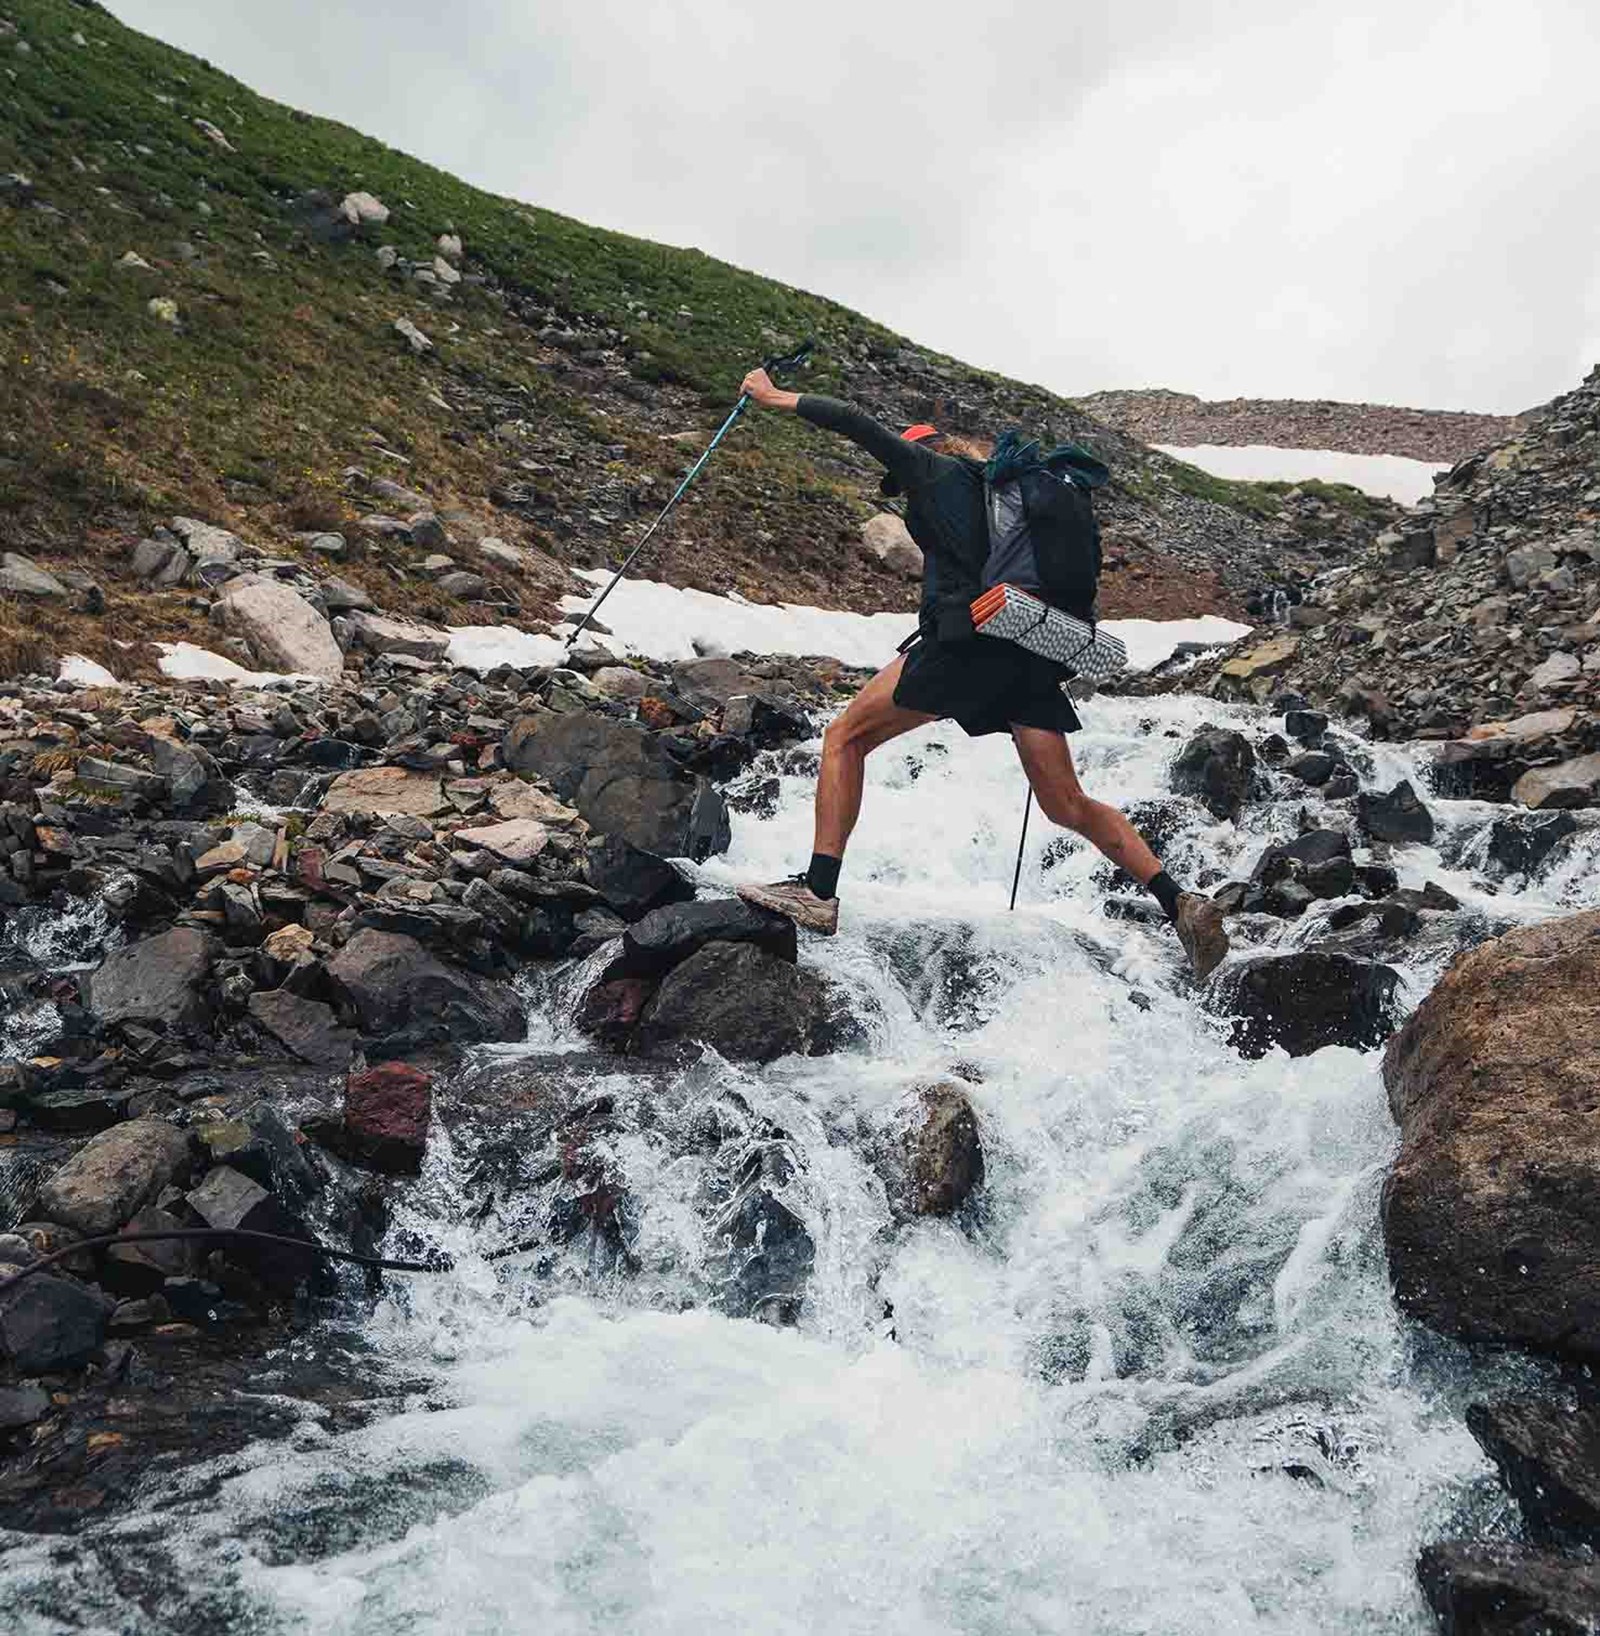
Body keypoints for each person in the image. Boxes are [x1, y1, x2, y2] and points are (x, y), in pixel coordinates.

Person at [733, 370, 1229, 980]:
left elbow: (854, 421)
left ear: (921, 451)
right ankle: (1179, 902)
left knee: (845, 737)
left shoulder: (928, 472)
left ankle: (818, 889)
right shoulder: (1010, 497)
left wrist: (774, 395)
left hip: (965, 647)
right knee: (1067, 803)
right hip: (1030, 651)